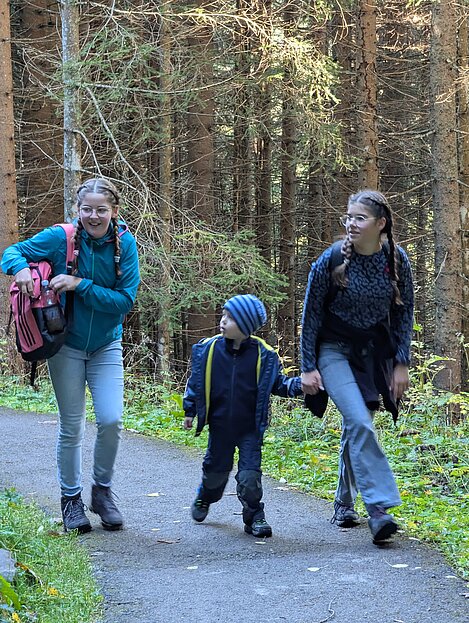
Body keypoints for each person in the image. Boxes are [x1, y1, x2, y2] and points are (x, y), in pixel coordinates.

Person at [1, 178, 140, 534]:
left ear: (114, 211)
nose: (93, 216)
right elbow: (12, 252)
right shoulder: (60, 238)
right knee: (72, 425)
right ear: (77, 210)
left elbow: (124, 301)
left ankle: (102, 493)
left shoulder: (125, 243)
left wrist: (80, 285)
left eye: (101, 210)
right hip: (65, 345)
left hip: (106, 344)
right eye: (87, 209)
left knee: (111, 419)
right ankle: (71, 500)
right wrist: (20, 269)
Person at [300, 189, 414, 544]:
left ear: (381, 224)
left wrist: (401, 362)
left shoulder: (396, 261)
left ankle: (343, 503)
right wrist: (307, 367)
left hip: (371, 354)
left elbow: (404, 313)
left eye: (360, 218)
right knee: (361, 421)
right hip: (332, 351)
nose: (351, 223)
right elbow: (311, 315)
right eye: (348, 217)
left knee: (357, 423)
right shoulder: (331, 259)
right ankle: (379, 509)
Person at [183, 294, 303, 538]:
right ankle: (206, 495)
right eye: (223, 315)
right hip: (220, 427)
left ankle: (254, 516)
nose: (223, 320)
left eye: (230, 318)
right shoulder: (209, 350)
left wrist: (301, 385)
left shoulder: (264, 354)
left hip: (250, 428)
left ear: (246, 326)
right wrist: (190, 410)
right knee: (215, 473)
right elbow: (196, 382)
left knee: (250, 477)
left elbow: (278, 384)